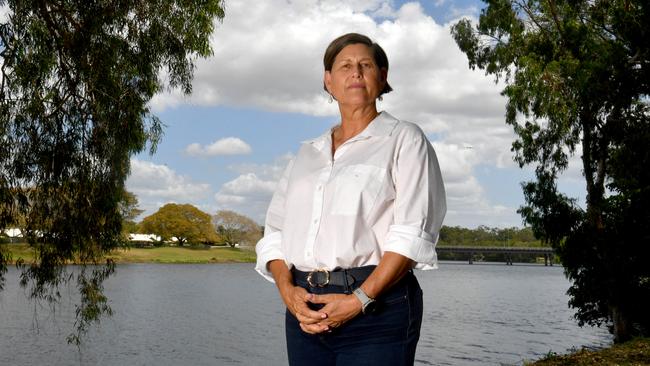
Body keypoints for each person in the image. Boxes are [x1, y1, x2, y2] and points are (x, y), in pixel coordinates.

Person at [255, 33, 446, 366]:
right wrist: (288, 292)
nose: (355, 72)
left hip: (378, 313)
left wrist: (359, 299)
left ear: (382, 77)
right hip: (305, 312)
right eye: (344, 66)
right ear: (328, 81)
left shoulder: (404, 139)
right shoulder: (306, 153)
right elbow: (275, 234)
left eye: (365, 65)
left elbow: (411, 234)